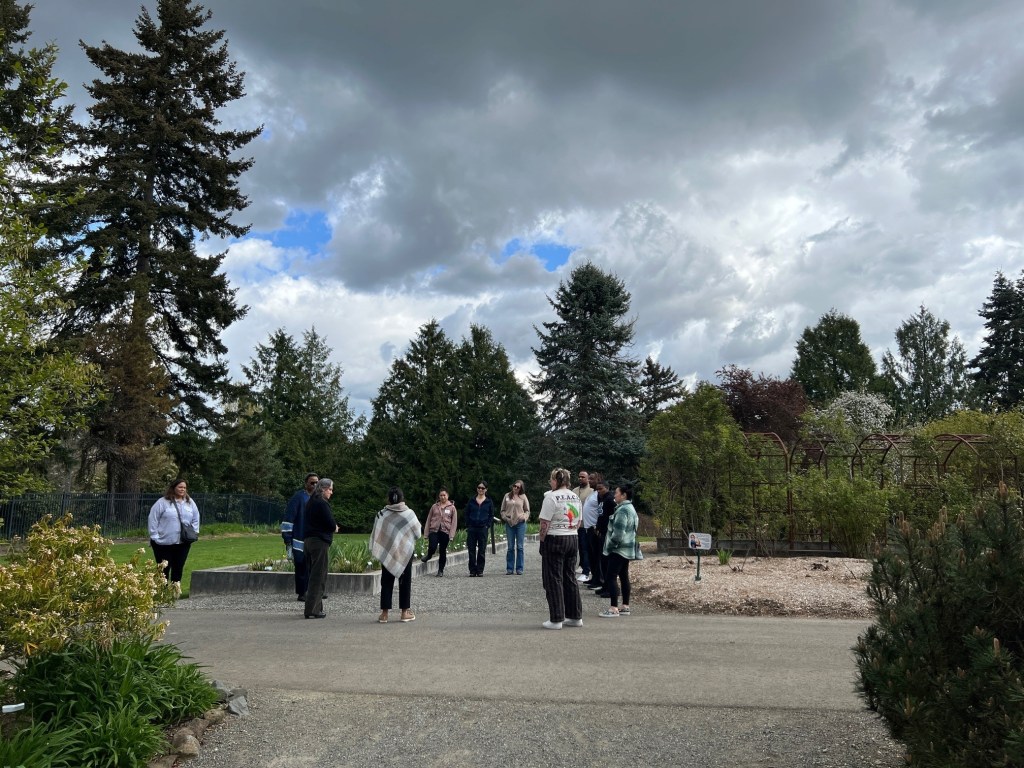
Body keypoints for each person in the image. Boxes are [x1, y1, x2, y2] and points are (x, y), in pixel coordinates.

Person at [538, 467, 584, 629]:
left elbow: (545, 523)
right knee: (570, 577)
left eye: (551, 480)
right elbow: (578, 522)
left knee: (553, 579)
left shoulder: (551, 497)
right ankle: (575, 616)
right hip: (572, 537)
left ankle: (556, 618)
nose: (550, 483)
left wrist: (542, 542)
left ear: (556, 481)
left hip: (555, 538)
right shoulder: (575, 497)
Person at [370, 487, 422, 623]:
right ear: (402, 498)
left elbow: (377, 534)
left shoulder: (382, 514)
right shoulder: (409, 514)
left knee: (386, 581)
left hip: (387, 552)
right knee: (405, 582)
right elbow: (418, 533)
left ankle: (384, 614)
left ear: (388, 499)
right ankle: (405, 613)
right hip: (405, 552)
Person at [148, 478, 200, 594]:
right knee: (164, 568)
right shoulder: (162, 502)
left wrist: (194, 533)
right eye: (180, 487)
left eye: (184, 488)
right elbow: (153, 519)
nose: (182, 489)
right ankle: (162, 592)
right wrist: (155, 537)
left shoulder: (190, 503)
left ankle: (175, 592)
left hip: (182, 542)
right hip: (164, 542)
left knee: (178, 567)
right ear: (174, 488)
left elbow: (196, 518)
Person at [600, 482, 640, 618]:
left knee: (610, 576)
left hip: (619, 549)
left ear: (623, 495)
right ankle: (625, 605)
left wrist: (610, 546)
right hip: (628, 549)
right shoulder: (631, 508)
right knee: (623, 576)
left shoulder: (622, 510)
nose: (614, 496)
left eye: (616, 493)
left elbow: (618, 534)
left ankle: (613, 608)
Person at [303, 478, 338, 619]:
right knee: (319, 576)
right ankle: (313, 610)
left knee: (312, 575)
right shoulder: (322, 504)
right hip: (319, 542)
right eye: (330, 489)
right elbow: (329, 523)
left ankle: (315, 607)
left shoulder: (311, 502)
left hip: (308, 540)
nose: (331, 492)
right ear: (323, 489)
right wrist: (334, 527)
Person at [283, 472, 318, 601]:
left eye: (316, 483)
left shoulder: (317, 498)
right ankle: (302, 592)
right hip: (299, 539)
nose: (314, 485)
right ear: (306, 483)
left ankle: (314, 591)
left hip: (313, 539)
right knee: (301, 566)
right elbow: (289, 518)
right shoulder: (298, 498)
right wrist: (287, 538)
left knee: (314, 566)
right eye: (312, 482)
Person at [422, 487, 457, 576]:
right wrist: (426, 533)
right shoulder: (434, 506)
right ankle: (429, 555)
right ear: (439, 496)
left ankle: (440, 570)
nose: (442, 497)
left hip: (445, 531)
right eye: (441, 495)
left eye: (444, 495)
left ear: (447, 496)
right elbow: (429, 519)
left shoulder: (452, 507)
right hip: (434, 530)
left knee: (442, 550)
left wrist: (451, 535)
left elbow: (454, 522)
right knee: (432, 547)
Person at [500, 480, 530, 575]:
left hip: (520, 524)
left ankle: (519, 568)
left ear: (521, 488)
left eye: (518, 487)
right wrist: (505, 518)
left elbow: (527, 510)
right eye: (514, 486)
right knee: (510, 547)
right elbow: (502, 510)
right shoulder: (507, 496)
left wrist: (524, 517)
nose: (515, 488)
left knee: (520, 547)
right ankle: (509, 568)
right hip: (509, 523)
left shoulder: (523, 497)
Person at [465, 481, 494, 576]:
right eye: (479, 487)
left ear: (486, 489)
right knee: (471, 550)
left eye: (482, 488)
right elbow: (467, 513)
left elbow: (491, 515)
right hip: (472, 527)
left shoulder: (489, 502)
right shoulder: (472, 500)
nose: (480, 489)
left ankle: (480, 570)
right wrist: (468, 524)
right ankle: (472, 570)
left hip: (483, 528)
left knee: (482, 550)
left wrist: (487, 525)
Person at [581, 472, 603, 588]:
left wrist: (597, 527)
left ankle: (599, 580)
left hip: (594, 529)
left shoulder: (599, 494)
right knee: (590, 555)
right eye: (589, 479)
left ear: (599, 479)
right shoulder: (592, 493)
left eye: (592, 479)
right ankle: (594, 577)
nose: (590, 481)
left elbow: (601, 512)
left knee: (596, 555)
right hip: (587, 528)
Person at [573, 470, 593, 582]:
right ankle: (581, 565)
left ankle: (587, 570)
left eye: (583, 477)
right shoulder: (574, 491)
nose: (580, 479)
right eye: (579, 477)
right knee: (579, 547)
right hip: (576, 524)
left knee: (585, 548)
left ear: (588, 478)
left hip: (586, 524)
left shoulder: (591, 491)